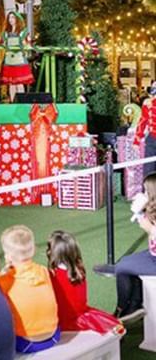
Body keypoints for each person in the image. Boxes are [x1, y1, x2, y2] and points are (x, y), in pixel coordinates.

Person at [0, 225, 60, 353]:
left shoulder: (3, 280)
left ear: (7, 256)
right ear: (34, 249)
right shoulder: (43, 271)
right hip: (54, 336)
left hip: (25, 342)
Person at [46, 230, 124, 334]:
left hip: (61, 319)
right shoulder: (78, 271)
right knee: (108, 322)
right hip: (79, 314)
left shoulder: (50, 274)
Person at [114, 172, 156, 324]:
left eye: (146, 191)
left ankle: (122, 309)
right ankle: (134, 305)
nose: (143, 195)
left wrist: (151, 230)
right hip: (152, 255)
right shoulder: (151, 210)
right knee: (126, 262)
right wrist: (139, 213)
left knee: (121, 268)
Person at [0, 11, 34, 103]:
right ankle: (13, 103)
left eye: (13, 17)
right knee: (11, 84)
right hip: (9, 61)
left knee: (19, 83)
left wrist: (25, 44)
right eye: (9, 18)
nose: (11, 20)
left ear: (17, 19)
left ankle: (21, 103)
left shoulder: (23, 32)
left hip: (19, 61)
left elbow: (28, 43)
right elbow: (2, 44)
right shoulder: (6, 33)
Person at [133, 82, 156, 176]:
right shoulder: (148, 103)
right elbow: (142, 122)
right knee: (149, 169)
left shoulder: (148, 103)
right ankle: (148, 190)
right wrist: (136, 141)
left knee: (149, 169)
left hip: (152, 138)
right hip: (152, 138)